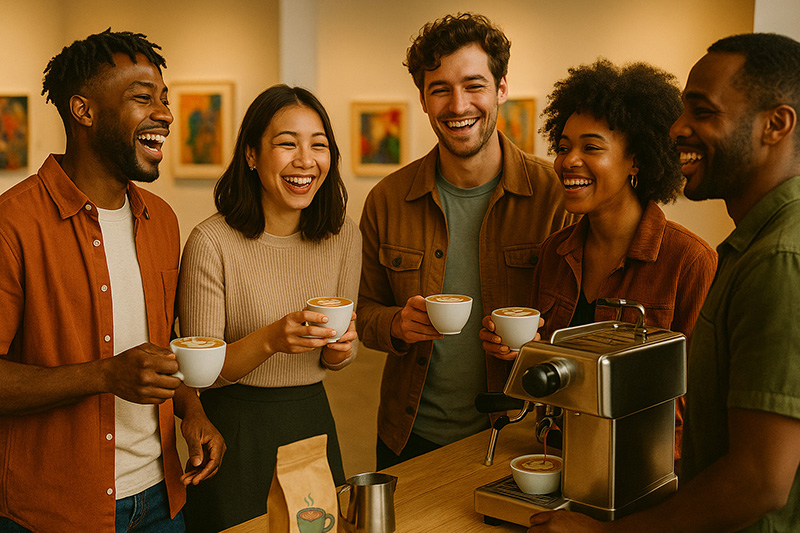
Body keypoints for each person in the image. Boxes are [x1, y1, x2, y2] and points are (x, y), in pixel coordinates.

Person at [528, 33, 800, 533]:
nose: (678, 130)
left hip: (663, 493)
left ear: (775, 125)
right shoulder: (750, 249)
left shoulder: (770, 259)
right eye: (564, 146)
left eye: (703, 111)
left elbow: (760, 479)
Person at [0, 30, 225, 532]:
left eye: (164, 99)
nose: (165, 114)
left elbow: (158, 348)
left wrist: (192, 409)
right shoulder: (12, 225)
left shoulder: (162, 220)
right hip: (53, 511)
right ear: (84, 111)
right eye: (142, 98)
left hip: (162, 500)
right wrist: (104, 375)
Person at [357, 12, 574, 470]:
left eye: (474, 85)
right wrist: (397, 324)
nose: (458, 106)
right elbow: (364, 310)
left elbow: (583, 318)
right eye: (440, 89)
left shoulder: (554, 197)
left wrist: (540, 343)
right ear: (423, 99)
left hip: (521, 433)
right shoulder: (387, 199)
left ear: (501, 89)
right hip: (408, 436)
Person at [480, 59, 717, 460]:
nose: (568, 161)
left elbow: (701, 400)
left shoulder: (690, 261)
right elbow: (548, 374)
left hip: (645, 467)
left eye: (591, 147)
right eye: (564, 146)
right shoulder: (555, 252)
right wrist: (520, 353)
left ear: (636, 160)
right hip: (554, 454)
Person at [178, 84, 361, 532]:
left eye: (318, 145)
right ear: (252, 155)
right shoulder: (211, 243)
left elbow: (339, 356)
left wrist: (341, 351)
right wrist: (271, 339)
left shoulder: (343, 236)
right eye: (286, 143)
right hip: (234, 429)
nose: (305, 160)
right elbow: (202, 374)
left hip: (311, 419)